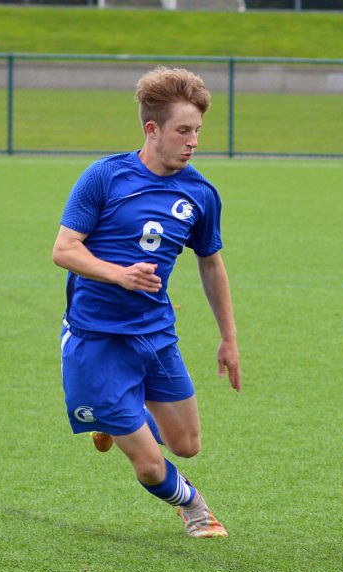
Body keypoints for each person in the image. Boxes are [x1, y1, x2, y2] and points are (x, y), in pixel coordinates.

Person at [53, 66, 241, 539]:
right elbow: (65, 249)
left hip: (154, 334)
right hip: (96, 338)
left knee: (188, 444)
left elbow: (211, 264)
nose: (193, 140)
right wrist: (121, 275)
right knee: (151, 467)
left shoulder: (200, 193)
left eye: (198, 130)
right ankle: (196, 508)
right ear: (151, 129)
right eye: (183, 130)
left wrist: (228, 338)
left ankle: (116, 419)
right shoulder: (104, 177)